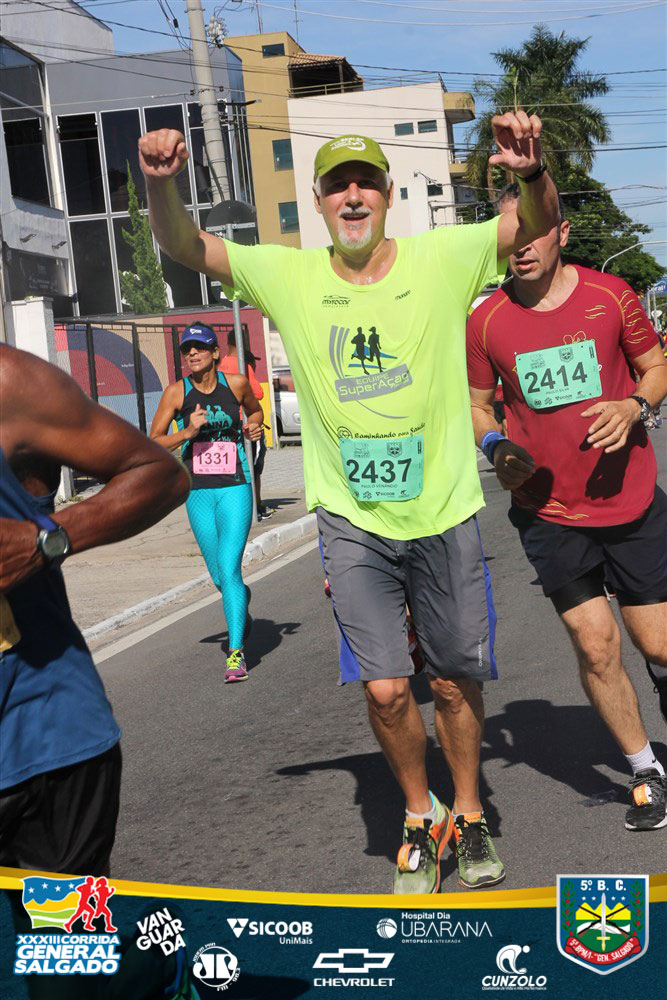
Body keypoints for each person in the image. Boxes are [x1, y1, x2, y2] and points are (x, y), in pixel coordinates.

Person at [139, 113, 560, 892]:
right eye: (339, 185)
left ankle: (468, 813)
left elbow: (530, 225)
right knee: (386, 688)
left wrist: (530, 173)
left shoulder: (442, 257)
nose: (354, 195)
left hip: (443, 511)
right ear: (319, 201)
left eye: (366, 181)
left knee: (451, 681)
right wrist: (160, 185)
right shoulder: (290, 276)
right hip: (351, 520)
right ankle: (418, 814)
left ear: (389, 195)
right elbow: (186, 246)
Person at [467, 183, 667, 833]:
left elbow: (656, 368)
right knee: (594, 643)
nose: (521, 245)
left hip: (630, 498)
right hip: (548, 511)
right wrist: (495, 445)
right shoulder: (485, 320)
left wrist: (634, 406)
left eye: (533, 230)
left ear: (562, 232)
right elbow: (478, 406)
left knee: (657, 644)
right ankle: (645, 770)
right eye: (510, 233)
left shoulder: (611, 294)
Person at [0, 344, 192, 999]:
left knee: (68, 977)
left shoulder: (10, 383)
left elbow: (160, 474)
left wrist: (47, 539)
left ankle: (157, 967)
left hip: (43, 735)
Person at [150, 322, 263, 682]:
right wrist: (187, 432)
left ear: (215, 352)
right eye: (187, 349)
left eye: (199, 347)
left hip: (235, 485)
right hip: (196, 490)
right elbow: (154, 440)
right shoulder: (176, 393)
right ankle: (240, 598)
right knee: (219, 576)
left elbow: (255, 411)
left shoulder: (237, 384)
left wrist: (253, 426)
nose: (192, 354)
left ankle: (236, 654)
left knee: (229, 567)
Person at [219, 329, 272, 521]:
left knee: (231, 467)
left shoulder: (219, 364)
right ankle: (256, 506)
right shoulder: (242, 364)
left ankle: (232, 506)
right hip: (247, 423)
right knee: (254, 466)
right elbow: (258, 393)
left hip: (227, 423)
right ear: (244, 342)